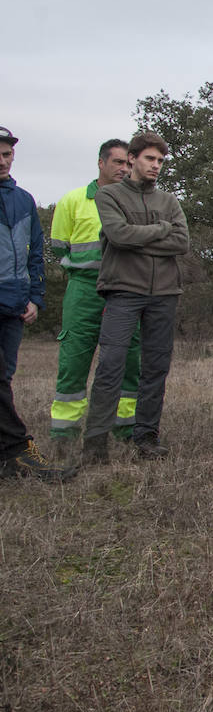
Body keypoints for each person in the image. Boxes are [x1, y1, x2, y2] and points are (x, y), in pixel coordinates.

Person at [82, 132, 190, 464]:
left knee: (156, 367)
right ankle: (96, 445)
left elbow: (182, 242)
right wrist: (160, 230)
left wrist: (139, 237)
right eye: (149, 159)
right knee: (111, 365)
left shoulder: (169, 201)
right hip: (123, 290)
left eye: (160, 161)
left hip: (164, 293)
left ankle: (146, 437)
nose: (156, 166)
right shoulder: (109, 195)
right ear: (132, 159)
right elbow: (118, 234)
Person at [48, 139, 140, 441]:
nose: (124, 169)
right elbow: (59, 247)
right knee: (74, 357)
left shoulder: (137, 199)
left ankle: (125, 427)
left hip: (125, 288)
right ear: (101, 163)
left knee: (130, 358)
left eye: (128, 163)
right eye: (118, 163)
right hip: (84, 287)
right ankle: (64, 433)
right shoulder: (73, 200)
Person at [0, 126, 75, 482]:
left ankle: (7, 459)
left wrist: (35, 297)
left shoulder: (24, 199)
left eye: (7, 153)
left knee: (5, 379)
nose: (3, 160)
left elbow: (35, 253)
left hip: (14, 304)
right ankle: (18, 450)